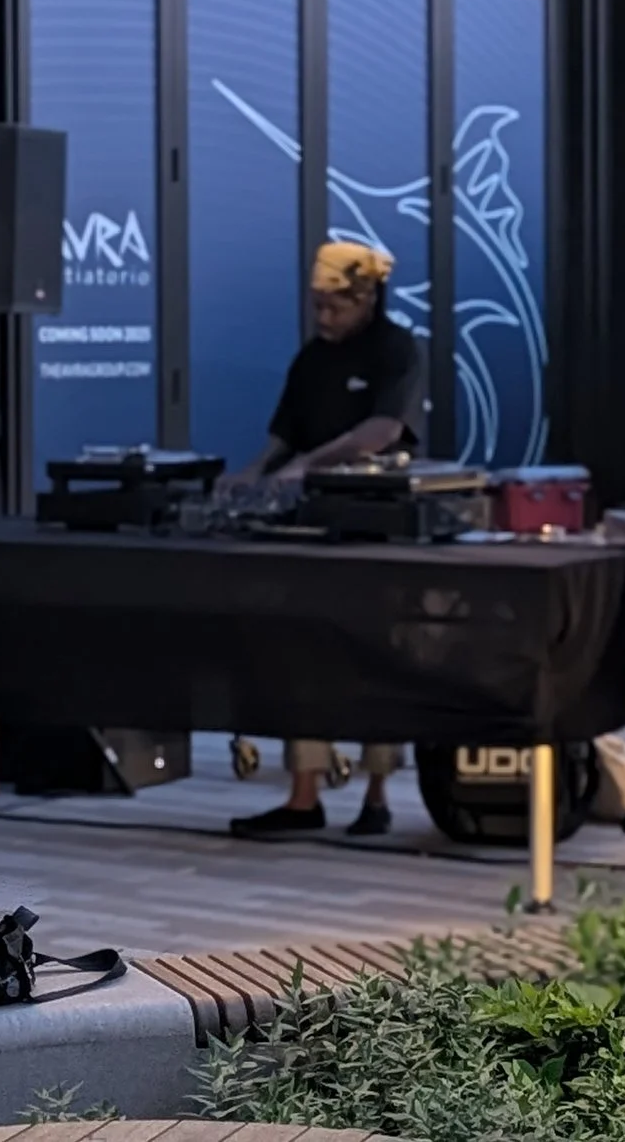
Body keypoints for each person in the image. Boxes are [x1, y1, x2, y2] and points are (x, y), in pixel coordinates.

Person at [230, 241, 423, 840]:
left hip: (375, 522)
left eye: (334, 307)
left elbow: (383, 428)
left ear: (367, 299)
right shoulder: (312, 359)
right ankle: (303, 796)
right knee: (303, 652)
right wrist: (252, 474)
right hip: (311, 525)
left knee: (378, 654)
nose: (323, 317)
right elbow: (283, 436)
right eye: (317, 306)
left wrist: (307, 464)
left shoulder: (397, 349)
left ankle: (376, 794)